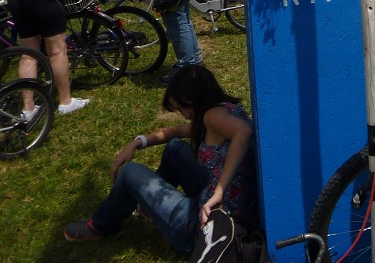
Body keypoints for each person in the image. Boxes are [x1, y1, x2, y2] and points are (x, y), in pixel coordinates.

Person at [63, 65, 257, 254]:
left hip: (204, 226)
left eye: (182, 108)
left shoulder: (212, 116)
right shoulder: (226, 109)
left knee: (130, 172)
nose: (183, 114)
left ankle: (99, 226)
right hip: (236, 209)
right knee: (175, 148)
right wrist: (138, 142)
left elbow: (244, 132)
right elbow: (177, 131)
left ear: (195, 100)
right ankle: (149, 209)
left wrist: (219, 191)